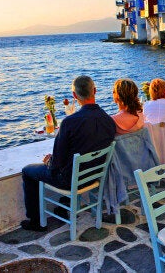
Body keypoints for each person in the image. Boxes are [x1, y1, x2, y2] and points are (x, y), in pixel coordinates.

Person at [20, 75, 117, 231]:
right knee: (71, 162)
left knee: (27, 171)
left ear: (74, 95)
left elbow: (56, 164)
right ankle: (64, 205)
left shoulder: (70, 122)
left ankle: (35, 221)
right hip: (95, 176)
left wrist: (48, 161)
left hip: (71, 180)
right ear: (95, 91)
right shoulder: (109, 120)